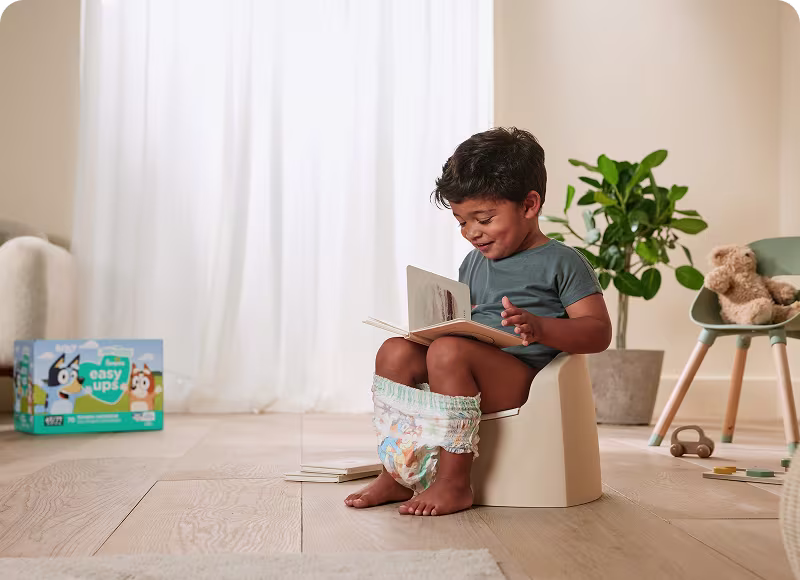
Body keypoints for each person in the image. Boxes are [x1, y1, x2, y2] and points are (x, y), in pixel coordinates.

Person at [344, 127, 612, 516]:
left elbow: (598, 332)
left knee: (449, 353)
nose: (471, 233)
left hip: (523, 379)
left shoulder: (562, 261)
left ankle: (454, 482)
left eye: (483, 218)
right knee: (395, 352)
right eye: (461, 222)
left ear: (529, 204)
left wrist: (541, 327)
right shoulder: (474, 262)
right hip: (464, 368)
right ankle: (396, 473)